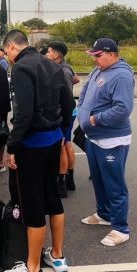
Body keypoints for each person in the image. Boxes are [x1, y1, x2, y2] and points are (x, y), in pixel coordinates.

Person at [1, 29, 74, 272]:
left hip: (32, 143)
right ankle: (57, 255)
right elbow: (68, 104)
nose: (8, 57)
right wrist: (64, 134)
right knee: (52, 196)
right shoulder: (51, 63)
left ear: (11, 47)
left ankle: (32, 270)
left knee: (33, 203)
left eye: (7, 52)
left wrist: (12, 146)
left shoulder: (21, 68)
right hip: (53, 139)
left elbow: (23, 113)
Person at [78, 38, 134, 248]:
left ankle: (120, 228)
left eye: (98, 55)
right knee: (99, 180)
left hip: (112, 139)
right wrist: (81, 111)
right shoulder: (98, 71)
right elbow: (85, 93)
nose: (95, 59)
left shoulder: (121, 75)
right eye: (93, 55)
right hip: (93, 137)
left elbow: (123, 109)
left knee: (114, 184)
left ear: (112, 54)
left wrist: (95, 119)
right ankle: (104, 214)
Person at [46, 41, 80, 197]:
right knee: (67, 143)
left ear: (56, 55)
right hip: (68, 111)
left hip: (63, 113)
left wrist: (57, 116)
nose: (47, 53)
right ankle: (69, 180)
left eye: (49, 51)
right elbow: (76, 79)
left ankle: (62, 182)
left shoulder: (62, 71)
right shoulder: (67, 68)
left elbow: (63, 96)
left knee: (62, 146)